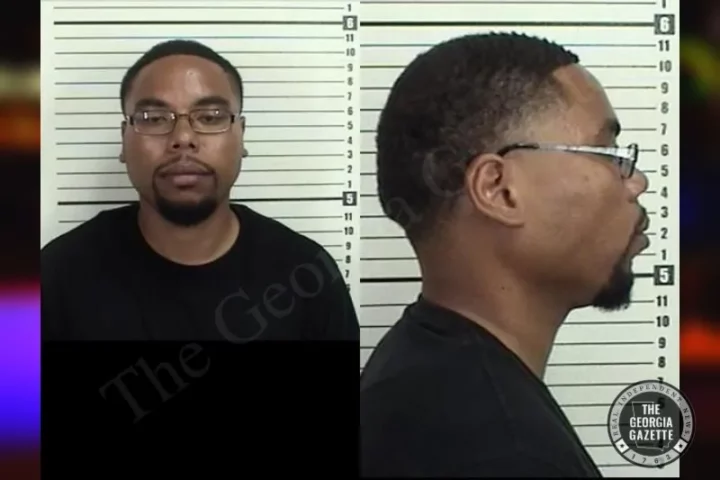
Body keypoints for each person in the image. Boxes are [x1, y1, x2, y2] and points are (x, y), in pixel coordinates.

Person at [360, 32, 650, 477]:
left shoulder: (419, 381)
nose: (636, 182)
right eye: (607, 153)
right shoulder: (501, 452)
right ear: (499, 190)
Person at [42, 40, 359, 342]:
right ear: (125, 139)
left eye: (210, 117)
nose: (183, 138)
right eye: (154, 118)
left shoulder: (306, 278)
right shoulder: (57, 277)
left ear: (241, 135)